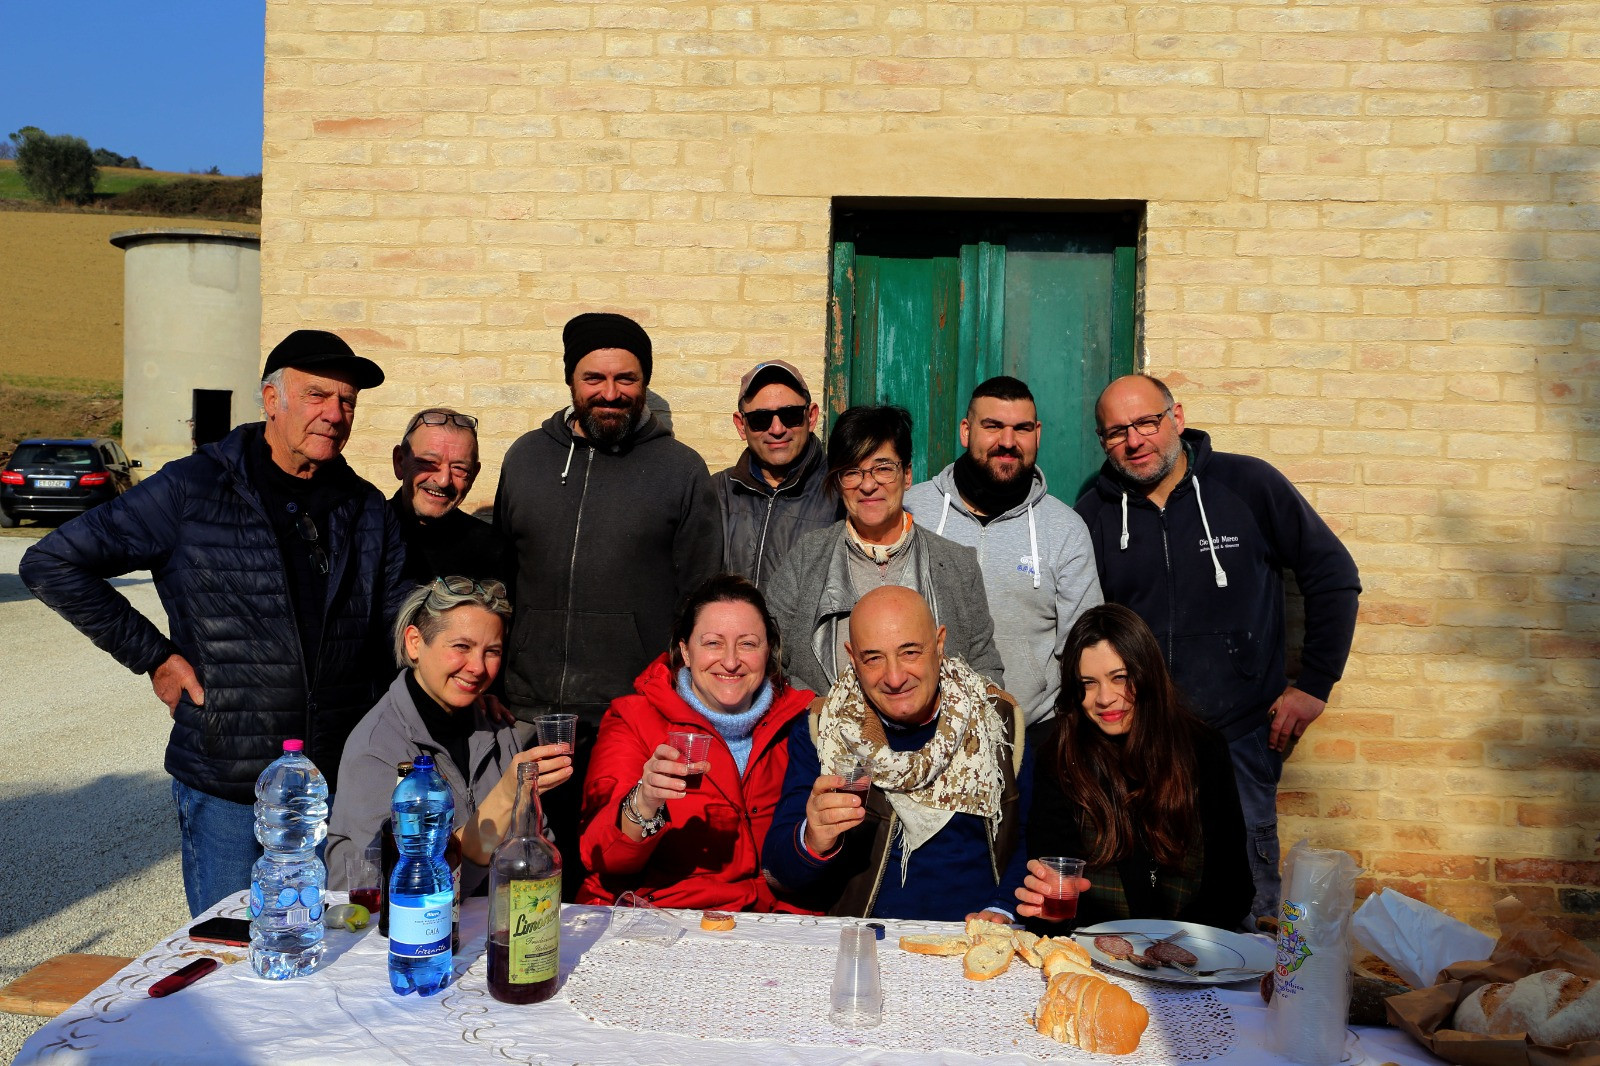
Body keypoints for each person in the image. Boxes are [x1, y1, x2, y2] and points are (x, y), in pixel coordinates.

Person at [20, 329, 410, 915]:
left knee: (334, 961)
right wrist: (153, 655)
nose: (334, 414)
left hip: (338, 786)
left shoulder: (366, 506)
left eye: (347, 401)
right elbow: (51, 562)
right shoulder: (193, 487)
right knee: (226, 964)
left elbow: (397, 626)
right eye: (317, 395)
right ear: (271, 399)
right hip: (230, 785)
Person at [1076, 374, 1361, 925]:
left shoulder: (1248, 485)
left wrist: (1314, 685)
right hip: (1137, 740)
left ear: (1176, 418)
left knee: (1247, 900)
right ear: (1102, 440)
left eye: (1147, 423)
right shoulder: (1095, 512)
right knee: (1146, 898)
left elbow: (1334, 576)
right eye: (1117, 432)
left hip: (1240, 736)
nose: (1135, 440)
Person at [493, 311, 723, 889]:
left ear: (644, 383)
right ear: (571, 380)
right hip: (529, 712)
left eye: (627, 379)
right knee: (528, 869)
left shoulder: (681, 470)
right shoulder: (525, 458)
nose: (611, 393)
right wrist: (494, 681)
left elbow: (701, 596)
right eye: (595, 378)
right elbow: (499, 579)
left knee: (613, 869)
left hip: (629, 717)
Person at [763, 586, 1031, 922]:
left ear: (939, 643)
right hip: (865, 939)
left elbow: (1028, 844)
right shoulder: (823, 730)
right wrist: (812, 839)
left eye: (910, 652)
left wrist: (1002, 908)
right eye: (873, 658)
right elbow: (780, 872)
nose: (894, 677)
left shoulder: (996, 721)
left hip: (974, 940)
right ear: (852, 658)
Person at [575, 574, 817, 910]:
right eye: (713, 643)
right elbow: (602, 856)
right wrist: (644, 801)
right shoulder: (634, 719)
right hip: (662, 919)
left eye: (747, 644)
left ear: (769, 651)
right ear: (686, 652)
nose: (731, 661)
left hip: (767, 924)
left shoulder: (802, 724)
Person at [327, 577, 572, 896]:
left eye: (492, 651)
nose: (477, 667)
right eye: (462, 647)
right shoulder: (377, 747)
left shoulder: (498, 728)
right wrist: (504, 797)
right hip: (399, 935)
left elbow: (537, 855)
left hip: (501, 928)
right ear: (414, 643)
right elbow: (385, 888)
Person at [1014, 604, 1252, 931]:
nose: (1105, 698)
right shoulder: (1058, 757)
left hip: (1194, 951)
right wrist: (1045, 905)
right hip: (1095, 950)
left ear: (1147, 674)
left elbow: (1233, 887)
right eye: (1088, 683)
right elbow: (1055, 889)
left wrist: (1174, 949)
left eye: (1120, 677)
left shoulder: (1203, 749)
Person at [764, 404, 1005, 697]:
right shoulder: (807, 557)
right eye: (852, 472)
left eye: (883, 469)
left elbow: (984, 667)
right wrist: (812, 712)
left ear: (906, 475)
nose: (867, 485)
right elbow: (768, 655)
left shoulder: (957, 565)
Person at [905, 376, 1102, 732]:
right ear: (966, 431)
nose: (1008, 442)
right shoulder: (913, 509)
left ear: (1037, 434)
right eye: (992, 426)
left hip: (1031, 731)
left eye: (1021, 428)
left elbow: (1083, 644)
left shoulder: (1066, 528)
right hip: (920, 728)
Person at [712, 360, 840, 587]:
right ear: (741, 425)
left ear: (811, 417)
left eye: (790, 415)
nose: (777, 429)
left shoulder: (840, 491)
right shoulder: (717, 492)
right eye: (760, 419)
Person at [390, 407, 504, 585]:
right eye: (428, 463)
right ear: (399, 462)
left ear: (473, 475)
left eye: (459, 468)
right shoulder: (362, 534)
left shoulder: (493, 551)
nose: (444, 480)